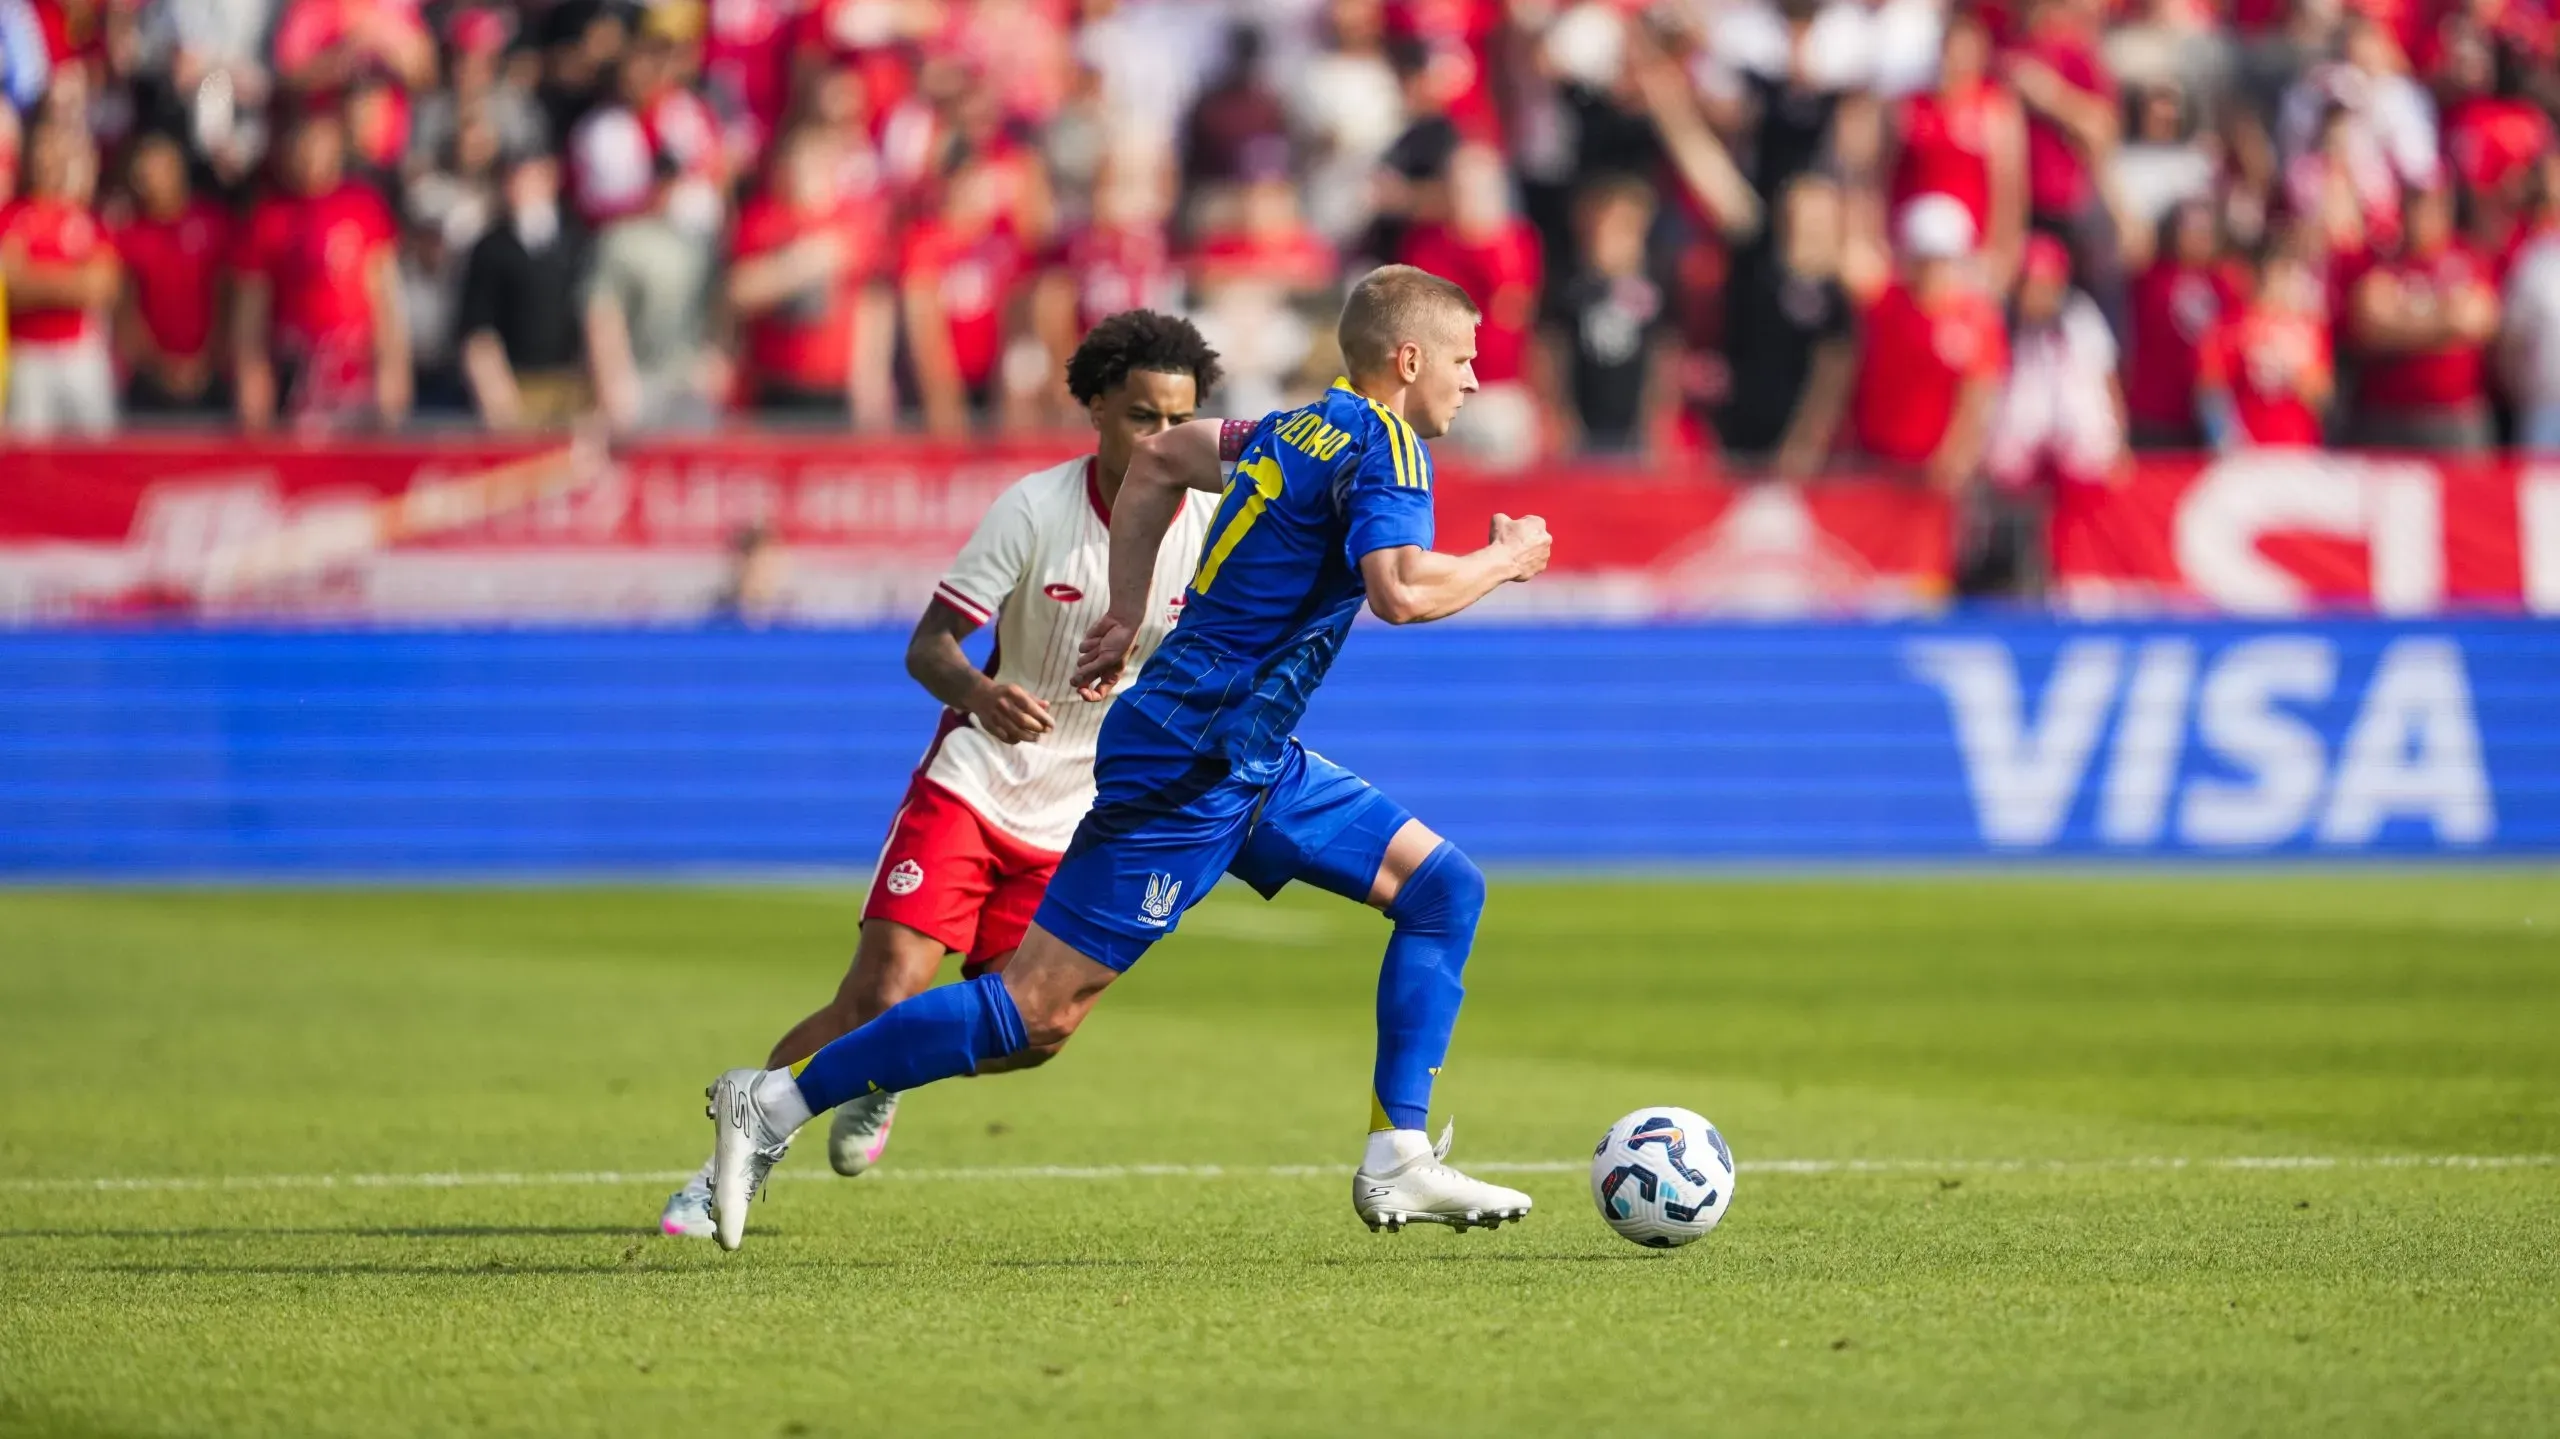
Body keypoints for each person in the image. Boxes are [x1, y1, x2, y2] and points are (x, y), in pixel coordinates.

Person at [698, 266, 1553, 1251]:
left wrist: (1122, 605)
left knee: (1444, 889)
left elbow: (1161, 461)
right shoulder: (1392, 447)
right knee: (1030, 1013)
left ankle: (1396, 1151)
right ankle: (771, 1101)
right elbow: (1400, 593)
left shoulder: (1292, 427)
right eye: (1463, 358)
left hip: (1247, 756)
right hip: (1192, 763)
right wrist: (1508, 558)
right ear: (1409, 360)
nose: (1475, 380)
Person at [659, 310, 1228, 1239]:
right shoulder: (1033, 509)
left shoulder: (1210, 527)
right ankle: (729, 1161)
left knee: (1035, 1032)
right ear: (1094, 407)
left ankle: (880, 1076)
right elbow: (929, 648)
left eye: (1180, 420)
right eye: (1141, 417)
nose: (1164, 439)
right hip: (975, 776)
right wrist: (983, 691)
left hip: (1082, 814)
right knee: (884, 990)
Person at [232, 109, 408, 432]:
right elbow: (250, 311)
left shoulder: (364, 207)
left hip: (358, 365)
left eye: (319, 144)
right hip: (297, 369)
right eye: (301, 146)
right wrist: (252, 377)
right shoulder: (268, 217)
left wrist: (394, 367)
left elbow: (385, 296)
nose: (310, 155)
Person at [0, 121, 120, 435]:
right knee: (29, 458)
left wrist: (34, 279)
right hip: (27, 355)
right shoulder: (12, 218)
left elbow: (100, 287)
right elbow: (10, 287)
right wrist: (72, 281)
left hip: (81, 354)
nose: (49, 159)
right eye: (43, 149)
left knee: (97, 454)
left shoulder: (89, 219)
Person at [457, 147, 588, 429]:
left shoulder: (576, 242)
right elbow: (478, 331)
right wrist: (497, 396)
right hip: (516, 386)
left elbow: (593, 316)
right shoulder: (490, 248)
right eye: (512, 177)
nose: (519, 186)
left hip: (571, 387)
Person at [112, 128, 232, 416]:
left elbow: (229, 297)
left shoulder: (214, 224)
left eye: (159, 168)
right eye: (143, 170)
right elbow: (124, 309)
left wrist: (208, 359)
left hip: (211, 373)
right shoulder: (127, 232)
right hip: (150, 378)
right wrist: (160, 366)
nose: (150, 178)